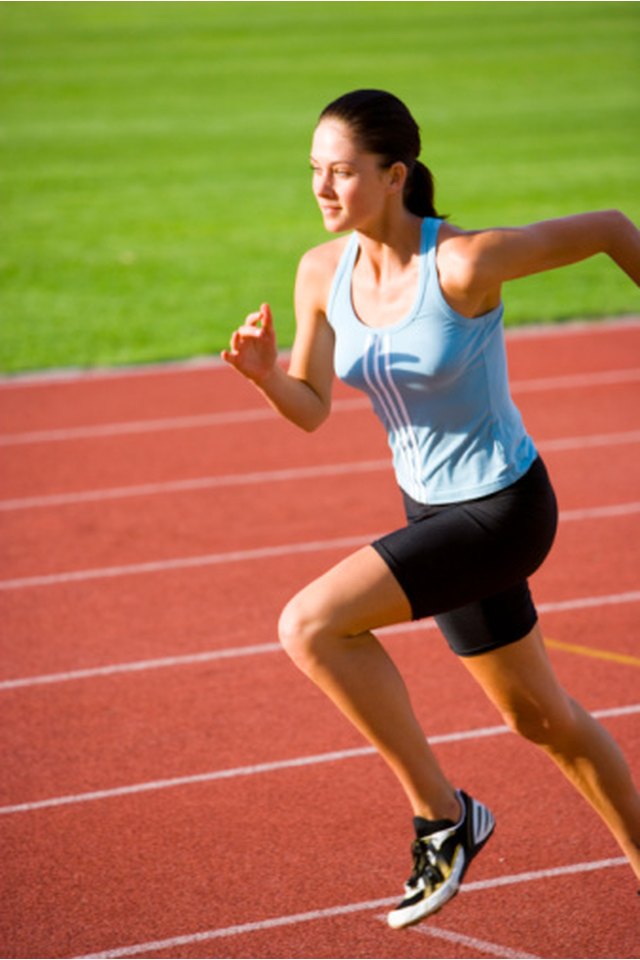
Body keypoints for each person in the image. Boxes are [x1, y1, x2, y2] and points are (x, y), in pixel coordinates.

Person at [222, 89, 640, 928]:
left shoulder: (463, 263)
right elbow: (311, 406)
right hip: (432, 514)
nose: (323, 188)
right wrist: (268, 375)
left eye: (342, 172)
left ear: (395, 175)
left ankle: (443, 817)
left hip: (504, 509)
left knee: (311, 625)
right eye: (314, 171)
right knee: (541, 719)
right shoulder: (320, 271)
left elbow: (608, 227)